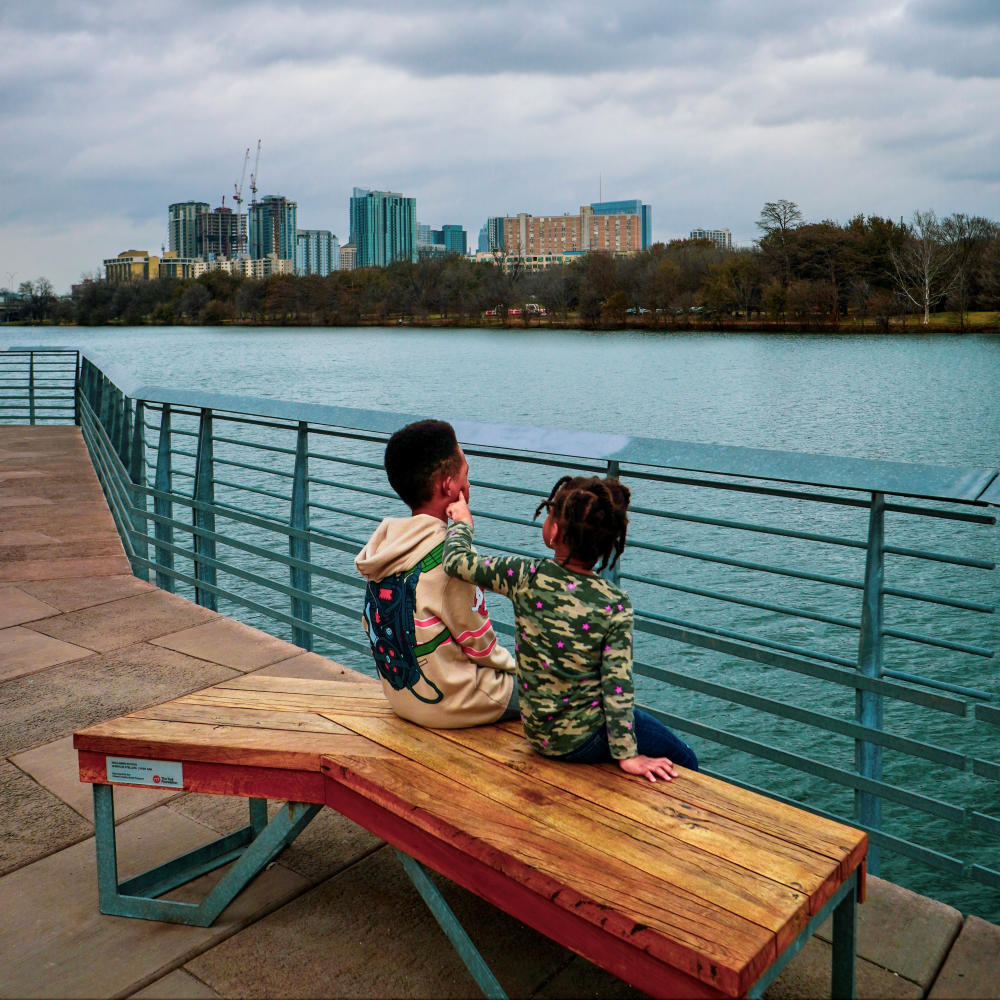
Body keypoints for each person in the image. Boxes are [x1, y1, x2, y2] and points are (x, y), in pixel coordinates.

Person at [443, 474, 698, 782]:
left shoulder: (525, 576)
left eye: (550, 512)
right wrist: (628, 755)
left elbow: (456, 561)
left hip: (540, 735)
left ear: (555, 533)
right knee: (684, 757)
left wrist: (462, 523)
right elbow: (617, 687)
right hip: (585, 740)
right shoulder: (614, 603)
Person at [355, 419, 518, 728]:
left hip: (404, 697)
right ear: (449, 486)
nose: (469, 485)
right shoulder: (449, 558)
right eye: (466, 476)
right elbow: (481, 647)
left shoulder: (386, 548)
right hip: (455, 702)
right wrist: (518, 670)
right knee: (567, 694)